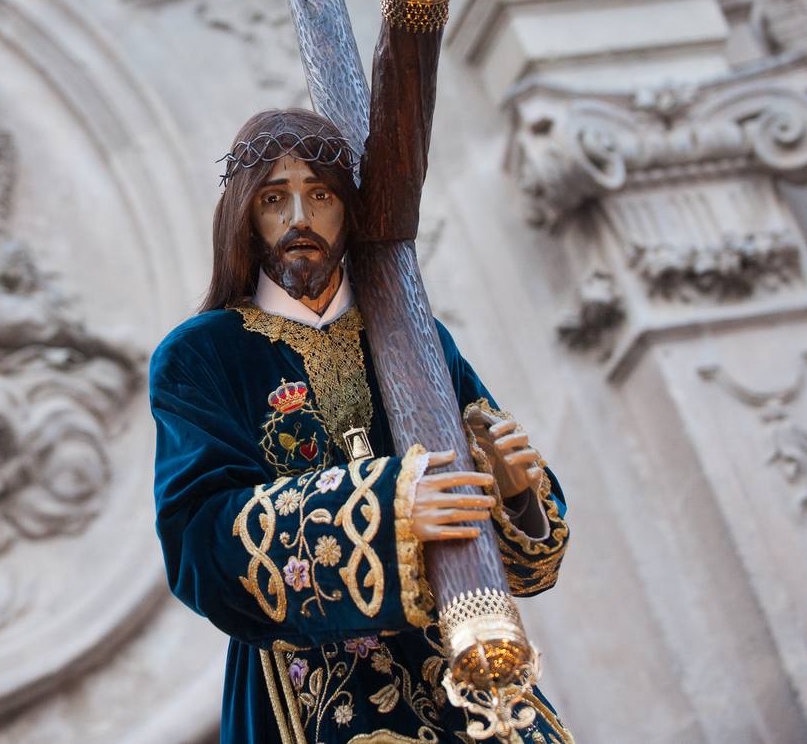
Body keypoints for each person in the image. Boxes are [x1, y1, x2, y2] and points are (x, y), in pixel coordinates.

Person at [150, 108, 573, 743]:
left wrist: (515, 495)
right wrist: (391, 510)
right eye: (274, 198)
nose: (299, 217)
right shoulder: (200, 355)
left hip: (468, 671)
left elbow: (531, 568)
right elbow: (198, 541)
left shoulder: (417, 337)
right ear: (245, 216)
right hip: (308, 690)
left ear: (348, 209)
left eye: (319, 194)